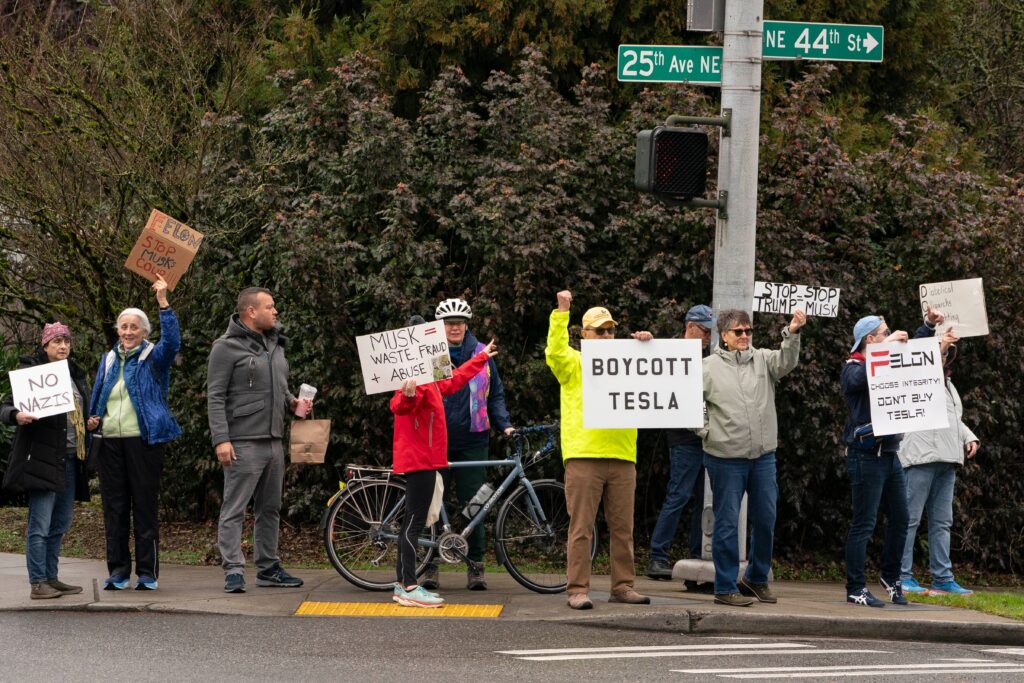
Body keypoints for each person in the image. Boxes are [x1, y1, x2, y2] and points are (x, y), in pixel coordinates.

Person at [546, 289, 653, 610]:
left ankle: (623, 586)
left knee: (624, 529)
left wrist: (648, 347)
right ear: (584, 335)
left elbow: (659, 378)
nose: (607, 335)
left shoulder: (629, 360)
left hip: (622, 454)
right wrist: (561, 312)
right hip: (583, 455)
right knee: (581, 529)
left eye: (610, 330)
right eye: (600, 330)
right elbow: (554, 351)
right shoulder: (574, 362)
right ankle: (577, 589)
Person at [208, 287, 310, 594]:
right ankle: (234, 571)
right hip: (242, 442)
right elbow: (215, 396)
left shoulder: (275, 345)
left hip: (274, 442)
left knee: (270, 509)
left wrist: (293, 403)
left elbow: (280, 386)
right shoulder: (225, 347)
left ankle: (268, 569)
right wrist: (221, 439)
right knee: (234, 508)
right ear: (251, 311)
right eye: (270, 306)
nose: (276, 311)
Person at [701, 307, 806, 607]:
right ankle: (724, 586)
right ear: (723, 335)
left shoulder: (762, 359)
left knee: (766, 518)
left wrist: (793, 332)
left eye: (748, 331)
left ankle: (756, 579)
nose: (745, 336)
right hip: (725, 457)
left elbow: (787, 361)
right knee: (727, 523)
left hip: (762, 456)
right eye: (738, 332)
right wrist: (705, 432)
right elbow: (691, 403)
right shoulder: (707, 367)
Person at [390, 315, 496, 608]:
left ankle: (403, 585)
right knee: (413, 523)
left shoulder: (431, 372)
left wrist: (481, 359)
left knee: (412, 522)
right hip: (419, 458)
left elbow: (454, 381)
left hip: (427, 457)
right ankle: (409, 586)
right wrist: (408, 396)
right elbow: (398, 404)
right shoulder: (413, 376)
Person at [841, 307, 942, 607]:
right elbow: (857, 381)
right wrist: (885, 347)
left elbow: (911, 357)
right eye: (884, 334)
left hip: (890, 455)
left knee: (901, 518)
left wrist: (927, 326)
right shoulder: (853, 366)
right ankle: (855, 587)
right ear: (870, 339)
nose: (890, 337)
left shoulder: (885, 358)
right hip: (865, 456)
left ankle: (890, 576)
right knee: (864, 523)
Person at [89, 276, 181, 591]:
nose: (128, 332)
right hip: (110, 443)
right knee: (114, 509)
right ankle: (117, 572)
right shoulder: (109, 358)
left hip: (143, 442)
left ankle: (147, 574)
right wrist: (93, 419)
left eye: (134, 327)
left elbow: (174, 343)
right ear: (118, 330)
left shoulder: (153, 357)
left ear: (144, 332)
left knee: (144, 506)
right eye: (124, 326)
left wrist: (163, 303)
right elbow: (100, 392)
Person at [421, 298, 514, 592]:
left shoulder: (481, 353)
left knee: (475, 505)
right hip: (437, 439)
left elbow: (495, 394)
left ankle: (476, 566)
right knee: (432, 505)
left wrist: (506, 425)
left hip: (474, 439)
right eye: (449, 323)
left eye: (460, 322)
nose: (455, 327)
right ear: (441, 326)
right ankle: (429, 566)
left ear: (467, 324)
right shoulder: (431, 355)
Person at [1, 323, 94, 599]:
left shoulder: (75, 375)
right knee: (39, 525)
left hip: (69, 460)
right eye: (57, 342)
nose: (63, 346)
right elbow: (5, 407)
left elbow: (75, 414)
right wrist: (16, 416)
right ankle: (38, 582)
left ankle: (51, 578)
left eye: (66, 341)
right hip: (41, 459)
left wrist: (87, 422)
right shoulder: (31, 375)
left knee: (61, 524)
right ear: (45, 346)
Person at [899, 326, 979, 596]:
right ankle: (901, 575)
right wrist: (939, 343)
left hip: (947, 458)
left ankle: (942, 578)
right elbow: (926, 366)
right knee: (909, 519)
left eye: (945, 354)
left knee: (942, 522)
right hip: (921, 456)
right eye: (939, 354)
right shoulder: (919, 375)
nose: (943, 358)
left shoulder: (948, 384)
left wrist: (970, 437)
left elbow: (952, 419)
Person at [647, 304, 713, 591]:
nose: (709, 337)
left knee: (703, 499)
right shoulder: (671, 352)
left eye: (712, 332)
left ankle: (697, 555)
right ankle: (657, 557)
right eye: (705, 331)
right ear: (689, 326)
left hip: (708, 437)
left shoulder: (709, 356)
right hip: (684, 438)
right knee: (679, 495)